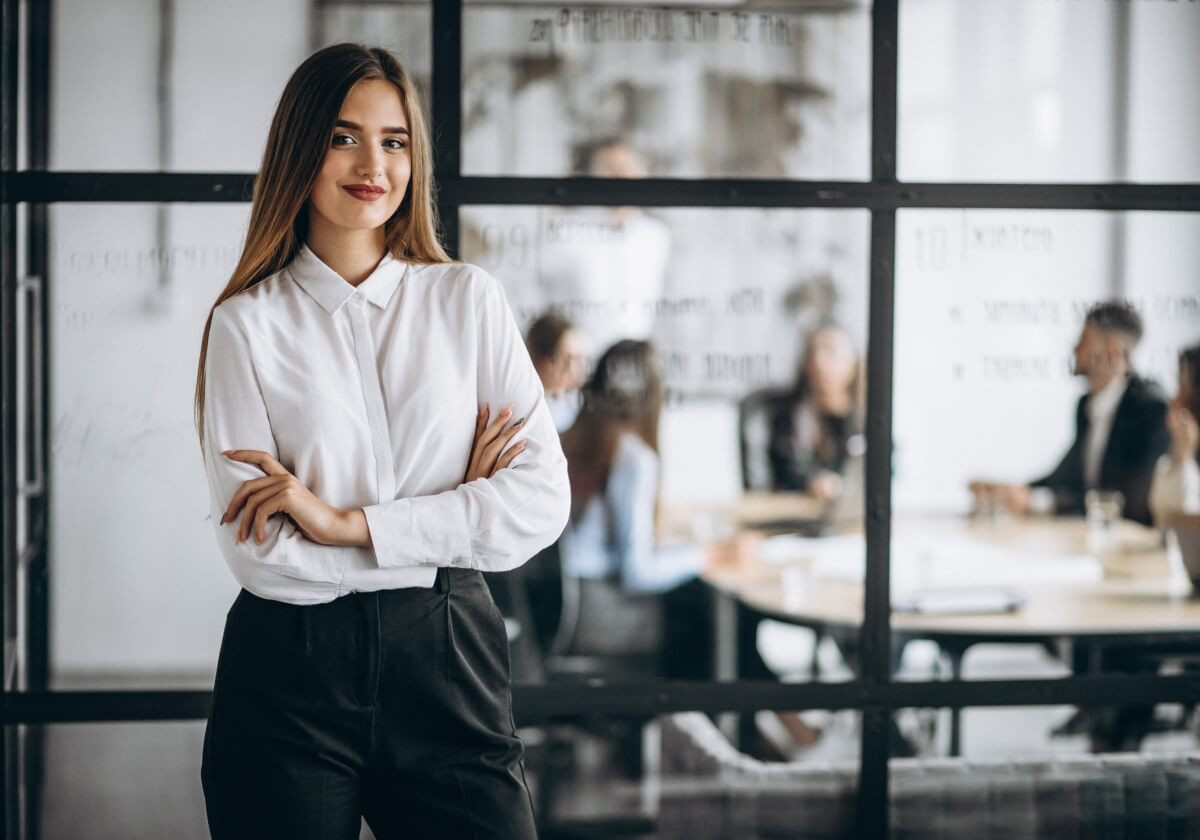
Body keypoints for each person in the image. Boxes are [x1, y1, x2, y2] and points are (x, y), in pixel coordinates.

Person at [193, 44, 569, 839]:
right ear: (301, 149)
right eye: (343, 136)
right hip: (288, 677)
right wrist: (450, 518)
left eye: (394, 140)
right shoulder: (245, 326)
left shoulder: (468, 301)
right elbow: (261, 556)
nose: (374, 162)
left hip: (449, 658)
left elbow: (538, 503)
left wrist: (341, 524)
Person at [557, 340, 821, 752]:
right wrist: (713, 554)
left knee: (707, 607)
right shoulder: (632, 457)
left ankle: (765, 738)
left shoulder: (572, 438)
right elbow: (636, 571)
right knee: (718, 615)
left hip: (562, 607)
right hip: (596, 616)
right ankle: (755, 742)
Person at [971, 300, 1170, 527]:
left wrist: (1038, 502)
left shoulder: (1151, 411)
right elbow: (1067, 478)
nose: (1075, 349)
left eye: (1083, 341)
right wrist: (1015, 491)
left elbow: (1123, 501)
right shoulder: (1086, 406)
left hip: (1133, 549)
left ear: (1112, 351)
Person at [767, 322, 864, 503]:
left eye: (831, 352)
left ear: (853, 361)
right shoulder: (786, 416)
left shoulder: (867, 418)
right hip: (796, 517)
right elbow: (782, 475)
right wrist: (811, 483)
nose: (820, 362)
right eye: (813, 352)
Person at [1150, 341, 1200, 524]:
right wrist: (1182, 457)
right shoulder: (1176, 453)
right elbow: (1165, 523)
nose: (1175, 399)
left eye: (1184, 388)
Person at [526, 311, 588, 433]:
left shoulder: (585, 407)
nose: (571, 368)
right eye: (560, 358)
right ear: (536, 359)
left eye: (577, 358)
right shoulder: (525, 412)